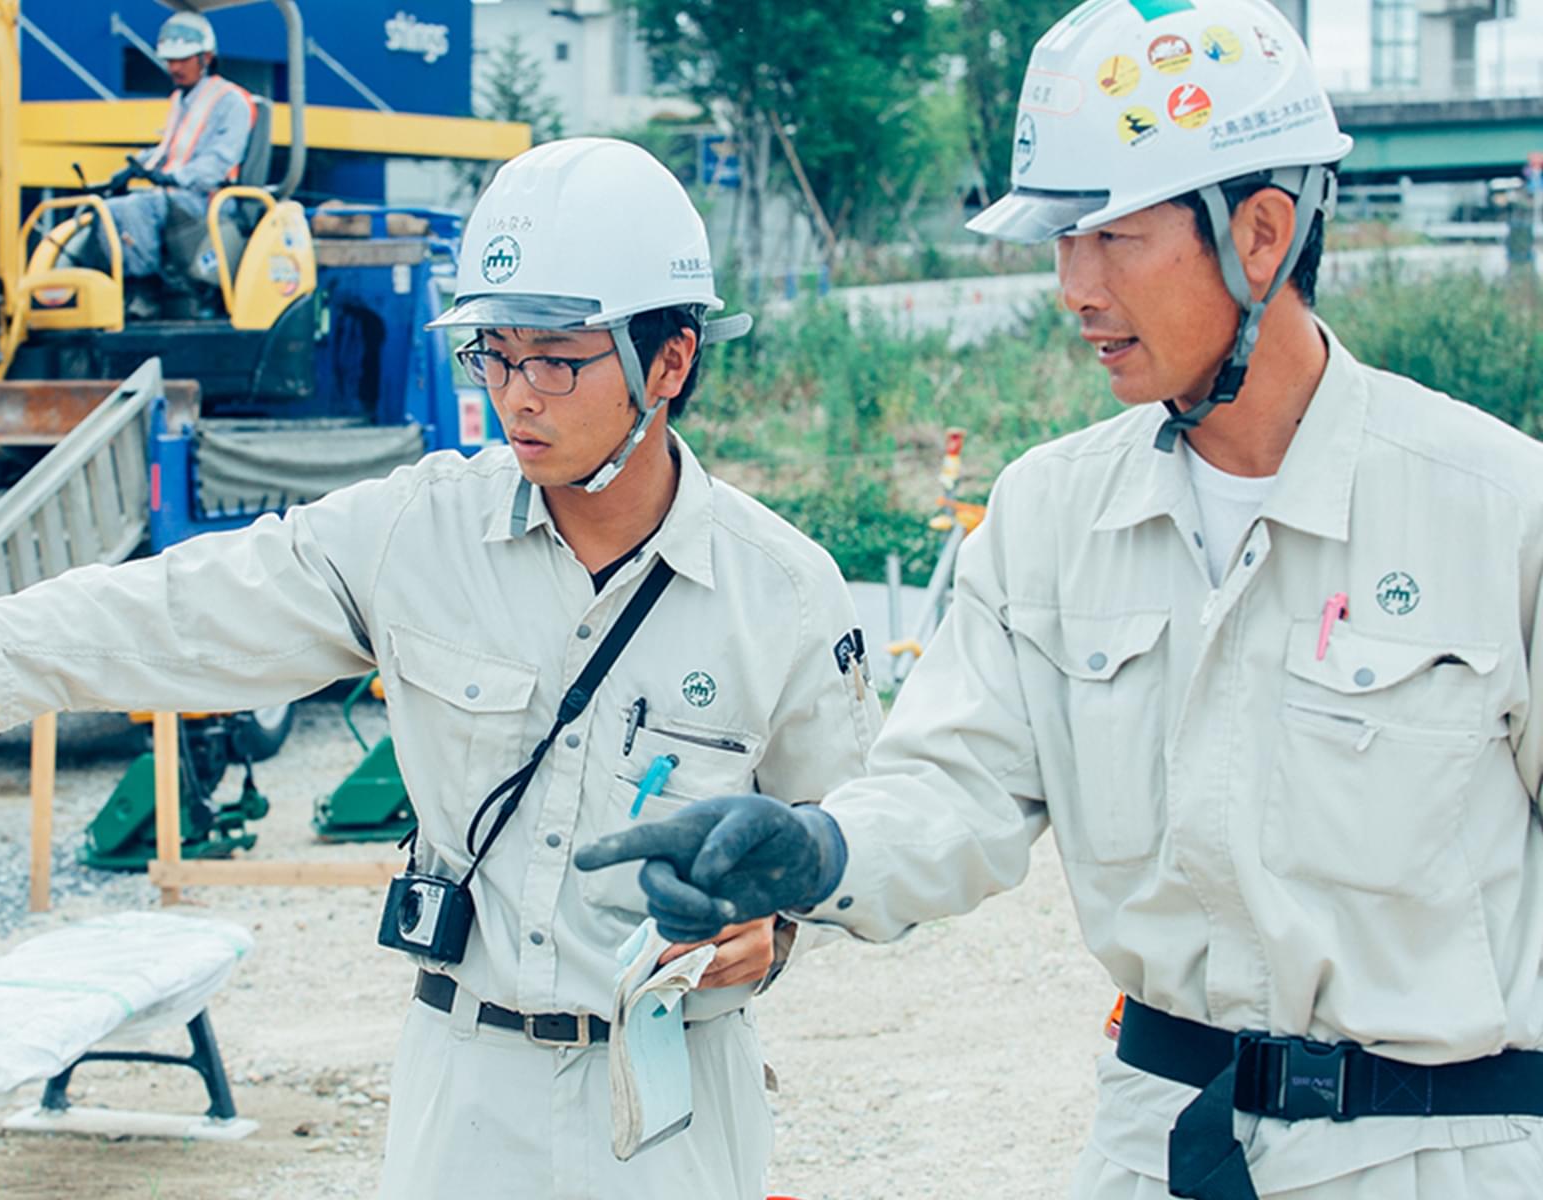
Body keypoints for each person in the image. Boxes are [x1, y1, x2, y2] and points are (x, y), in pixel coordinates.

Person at [0, 137, 882, 1199]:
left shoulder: (781, 595)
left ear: (668, 358)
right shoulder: (410, 540)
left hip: (675, 1101)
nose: (516, 393)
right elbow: (178, 610)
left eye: (559, 361)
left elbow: (865, 835)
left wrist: (776, 933)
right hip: (465, 1092)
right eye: (495, 352)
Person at [579, 2, 1543, 1198]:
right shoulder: (1048, 519)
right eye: (1060, 242)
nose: (1072, 287)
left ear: (1261, 234)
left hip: (1442, 1157)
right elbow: (956, 790)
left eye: (1112, 238)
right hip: (1157, 1150)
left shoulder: (1495, 511)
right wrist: (818, 850)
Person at [105, 11, 256, 286]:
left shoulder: (231, 101)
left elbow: (220, 160)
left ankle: (145, 288)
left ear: (206, 58)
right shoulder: (180, 99)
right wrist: (132, 170)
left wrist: (176, 177)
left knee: (136, 208)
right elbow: (168, 148)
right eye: (170, 61)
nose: (174, 68)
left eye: (182, 60)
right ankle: (118, 284)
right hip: (176, 195)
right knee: (107, 209)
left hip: (208, 198)